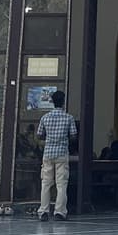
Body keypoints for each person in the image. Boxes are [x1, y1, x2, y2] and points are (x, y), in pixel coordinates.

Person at [35, 90, 77, 221]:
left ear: (52, 102)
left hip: (48, 153)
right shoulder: (68, 118)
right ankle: (60, 211)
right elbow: (74, 136)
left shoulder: (45, 117)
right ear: (63, 102)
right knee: (61, 184)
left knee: (46, 183)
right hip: (62, 154)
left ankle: (43, 211)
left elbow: (39, 135)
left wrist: (49, 138)